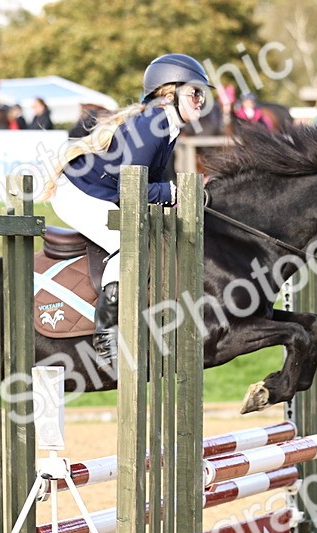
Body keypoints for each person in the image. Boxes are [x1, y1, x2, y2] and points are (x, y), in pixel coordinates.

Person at [44, 53, 211, 362]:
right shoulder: (154, 124)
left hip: (101, 190)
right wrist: (176, 192)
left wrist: (172, 196)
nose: (201, 100)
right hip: (80, 194)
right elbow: (130, 189)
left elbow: (147, 184)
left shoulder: (167, 124)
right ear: (170, 92)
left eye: (202, 93)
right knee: (126, 246)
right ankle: (106, 337)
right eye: (195, 92)